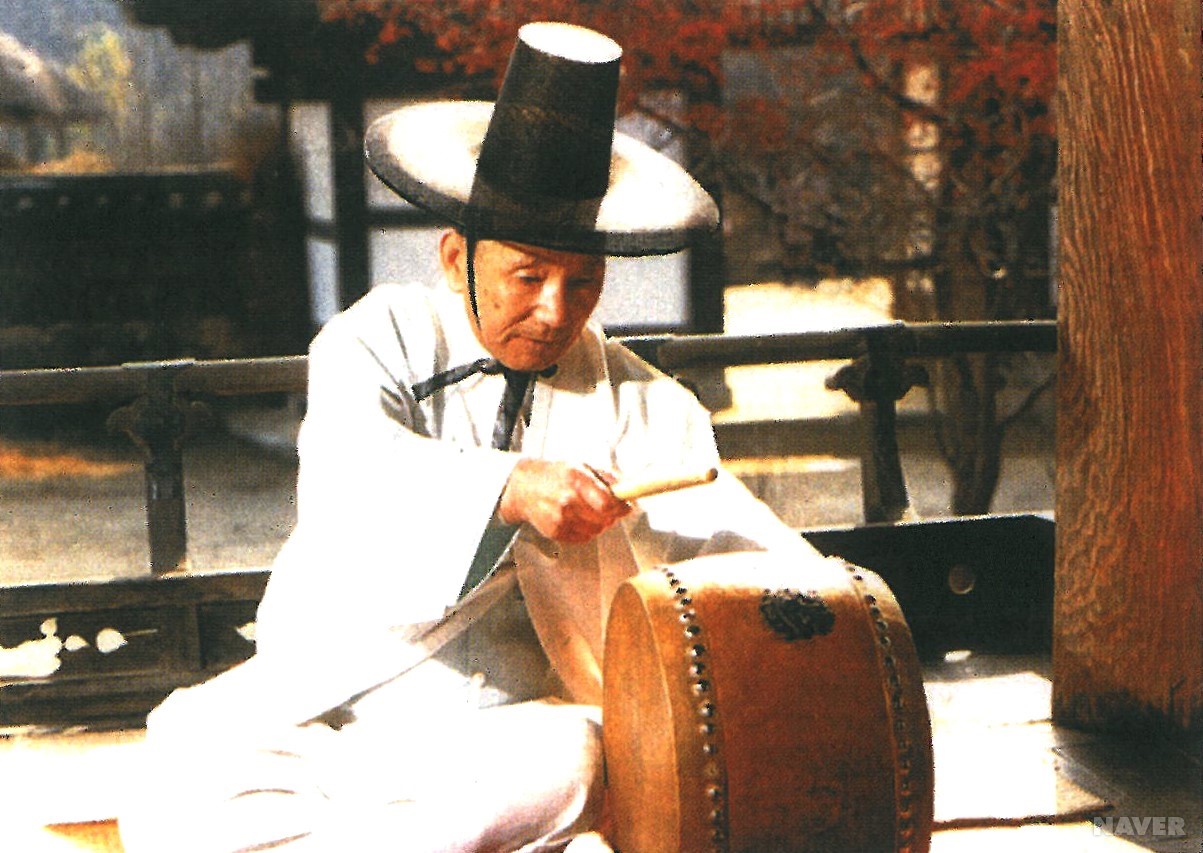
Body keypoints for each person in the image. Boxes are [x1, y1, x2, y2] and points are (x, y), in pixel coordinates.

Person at [118, 21, 819, 853]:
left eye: (582, 282)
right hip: (324, 702)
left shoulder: (641, 401)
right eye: (529, 275)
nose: (555, 310)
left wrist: (823, 597)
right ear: (456, 259)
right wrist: (509, 487)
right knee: (175, 777)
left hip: (495, 733)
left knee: (575, 761)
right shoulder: (375, 338)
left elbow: (738, 545)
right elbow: (351, 474)